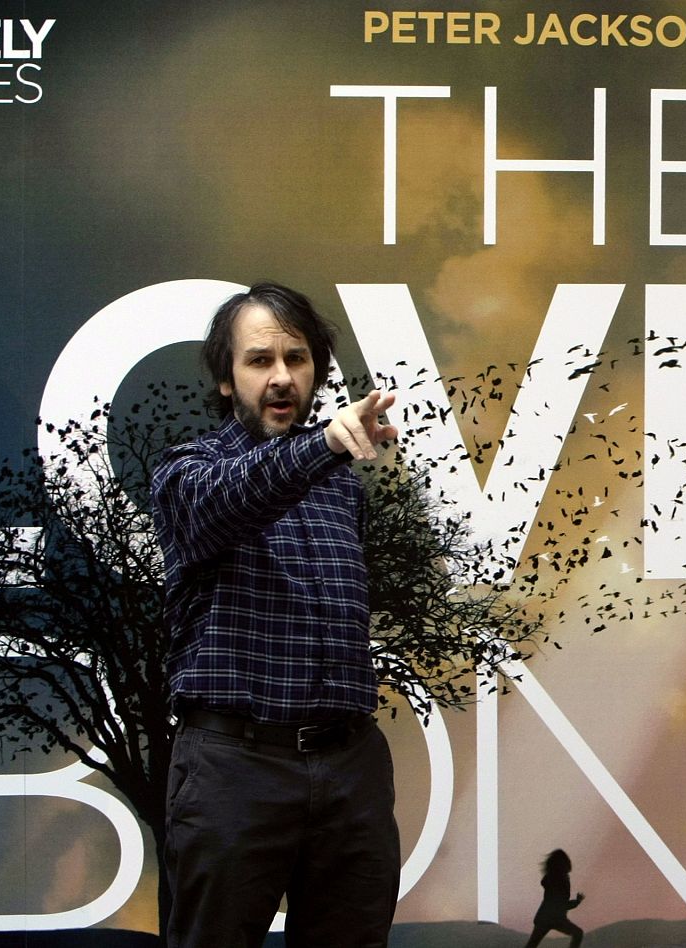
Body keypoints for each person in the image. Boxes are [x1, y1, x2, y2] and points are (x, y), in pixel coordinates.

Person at [150, 282, 402, 948]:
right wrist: (324, 446)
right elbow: (233, 499)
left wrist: (327, 457)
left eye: (297, 358)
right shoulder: (188, 471)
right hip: (235, 768)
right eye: (260, 360)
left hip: (350, 769)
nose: (282, 377)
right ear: (227, 380)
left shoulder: (340, 483)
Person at [524, 849, 585, 947]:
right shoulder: (558, 879)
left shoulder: (557, 878)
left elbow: (560, 903)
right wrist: (576, 902)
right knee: (578, 933)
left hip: (548, 918)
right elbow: (560, 904)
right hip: (552, 918)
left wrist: (576, 901)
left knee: (531, 945)